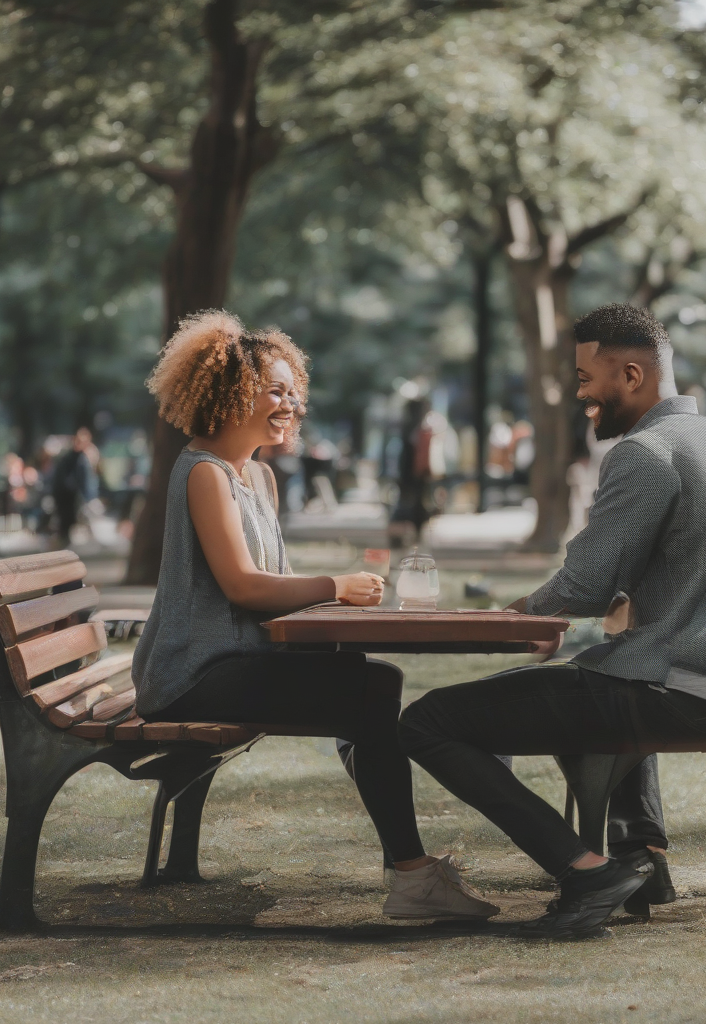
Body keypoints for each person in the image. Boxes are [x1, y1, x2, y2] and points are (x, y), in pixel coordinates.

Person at [399, 303, 706, 939]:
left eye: (588, 379)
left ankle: (586, 870)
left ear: (633, 375)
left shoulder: (646, 450)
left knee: (427, 721)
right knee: (589, 675)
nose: (581, 394)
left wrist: (521, 610)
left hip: (684, 686)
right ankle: (645, 858)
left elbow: (587, 586)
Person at [131, 309, 497, 922]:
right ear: (232, 392)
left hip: (235, 663)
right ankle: (412, 875)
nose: (292, 404)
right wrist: (335, 584)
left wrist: (336, 601)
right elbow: (245, 588)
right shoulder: (203, 474)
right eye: (276, 390)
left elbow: (273, 585)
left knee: (369, 680)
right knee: (372, 686)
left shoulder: (260, 478)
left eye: (294, 391)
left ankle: (410, 871)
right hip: (190, 676)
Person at [51, 427, 99, 544]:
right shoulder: (69, 458)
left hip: (78, 497)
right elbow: (64, 480)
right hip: (67, 498)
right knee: (66, 526)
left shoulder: (83, 457)